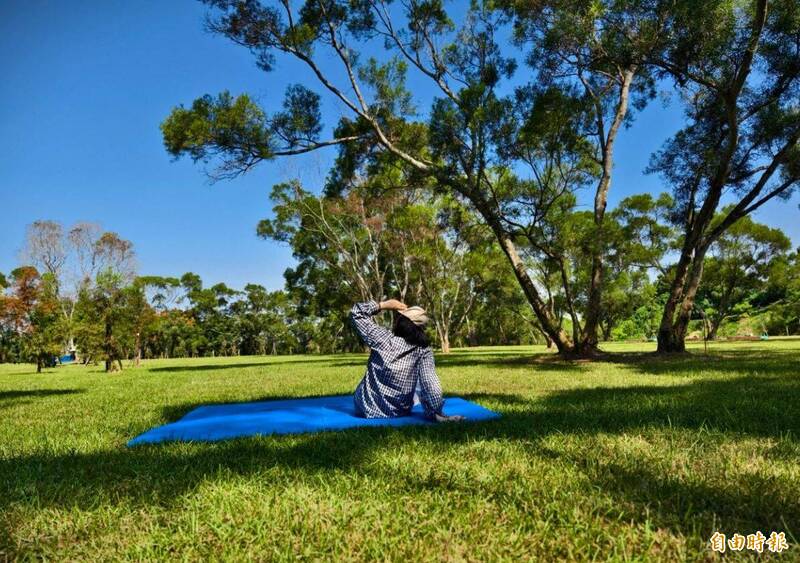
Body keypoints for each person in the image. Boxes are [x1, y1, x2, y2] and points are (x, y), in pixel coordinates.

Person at [350, 299, 465, 422]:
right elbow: (430, 382)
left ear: (401, 323)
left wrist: (384, 305)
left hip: (365, 408)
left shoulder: (381, 338)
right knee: (421, 381)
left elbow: (356, 313)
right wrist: (436, 412)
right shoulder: (423, 349)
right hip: (398, 412)